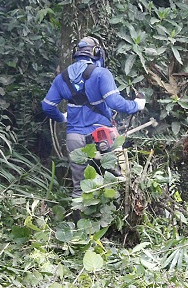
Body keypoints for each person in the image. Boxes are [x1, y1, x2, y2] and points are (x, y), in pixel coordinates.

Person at [41, 36, 146, 210]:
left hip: (74, 136)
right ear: (97, 52)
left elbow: (47, 106)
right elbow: (115, 103)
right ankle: (115, 224)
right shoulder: (101, 74)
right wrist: (137, 105)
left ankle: (79, 228)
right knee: (119, 180)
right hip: (102, 135)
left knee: (79, 187)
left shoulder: (63, 77)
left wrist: (62, 118)